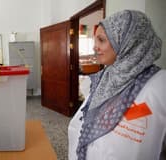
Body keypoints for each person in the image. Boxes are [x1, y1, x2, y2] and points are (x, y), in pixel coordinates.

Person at [68, 10, 166, 160]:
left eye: (101, 40)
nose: (95, 47)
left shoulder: (160, 86)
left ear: (129, 42)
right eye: (95, 40)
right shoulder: (103, 78)